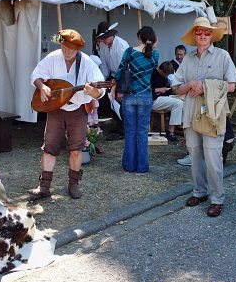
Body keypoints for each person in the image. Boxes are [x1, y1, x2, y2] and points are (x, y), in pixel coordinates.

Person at [172, 17, 236, 217]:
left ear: (212, 35)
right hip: (191, 112)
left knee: (213, 157)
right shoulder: (187, 59)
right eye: (199, 31)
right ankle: (199, 192)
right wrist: (191, 84)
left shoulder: (222, 56)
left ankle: (217, 198)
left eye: (206, 32)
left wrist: (205, 86)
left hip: (213, 114)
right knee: (194, 155)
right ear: (194, 35)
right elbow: (176, 88)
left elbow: (232, 86)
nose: (202, 35)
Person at [29, 29, 105, 199]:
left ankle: (74, 184)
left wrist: (93, 92)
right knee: (49, 147)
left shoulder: (86, 63)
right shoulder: (53, 57)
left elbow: (100, 91)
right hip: (56, 108)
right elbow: (36, 75)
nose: (66, 51)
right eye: (64, 47)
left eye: (71, 49)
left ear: (77, 48)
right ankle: (44, 186)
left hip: (78, 109)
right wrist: (42, 86)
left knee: (76, 149)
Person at [111, 26, 159, 173]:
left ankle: (129, 165)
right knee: (143, 132)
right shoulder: (155, 54)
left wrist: (114, 88)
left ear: (139, 37)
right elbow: (154, 66)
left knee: (130, 131)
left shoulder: (129, 52)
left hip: (130, 96)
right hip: (145, 96)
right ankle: (142, 166)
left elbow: (119, 72)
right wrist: (153, 44)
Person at [95, 21, 129, 139]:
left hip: (124, 76)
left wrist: (121, 90)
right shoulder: (103, 45)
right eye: (102, 38)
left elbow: (125, 69)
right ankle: (119, 124)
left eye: (105, 37)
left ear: (112, 35)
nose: (104, 40)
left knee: (121, 100)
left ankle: (123, 130)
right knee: (110, 101)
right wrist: (101, 82)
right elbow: (104, 65)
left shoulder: (121, 46)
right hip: (113, 75)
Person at [151, 61, 183, 142]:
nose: (167, 76)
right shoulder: (152, 74)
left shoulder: (163, 75)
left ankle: (180, 126)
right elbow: (147, 90)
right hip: (153, 100)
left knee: (182, 99)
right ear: (162, 71)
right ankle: (170, 131)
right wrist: (159, 89)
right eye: (166, 74)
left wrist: (170, 88)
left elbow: (165, 86)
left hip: (161, 97)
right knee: (178, 103)